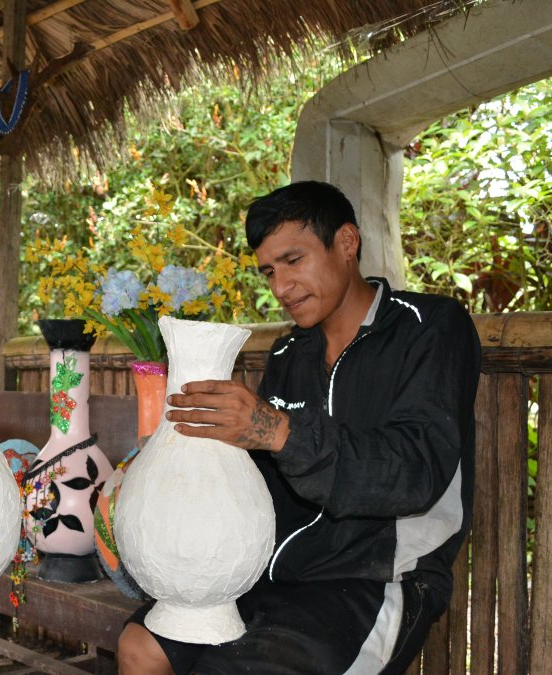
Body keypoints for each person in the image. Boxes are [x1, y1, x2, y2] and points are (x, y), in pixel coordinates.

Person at [117, 181, 480, 674]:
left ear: (346, 243)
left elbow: (413, 471)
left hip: (373, 581)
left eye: (294, 261)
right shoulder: (291, 353)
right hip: (275, 573)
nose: (281, 287)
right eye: (269, 271)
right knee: (140, 644)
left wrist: (275, 431)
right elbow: (263, 477)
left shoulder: (428, 327)